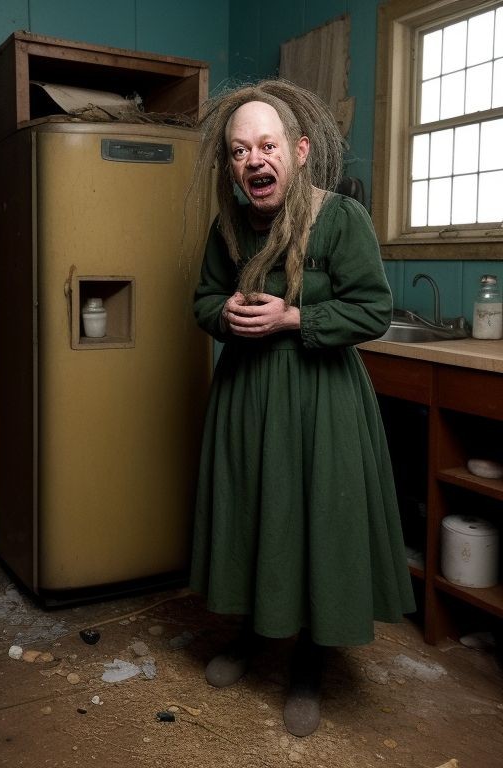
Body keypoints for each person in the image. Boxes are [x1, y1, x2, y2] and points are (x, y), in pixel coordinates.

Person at [189, 79, 415, 738]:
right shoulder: (228, 226)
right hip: (247, 398)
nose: (253, 160)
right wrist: (224, 314)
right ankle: (252, 635)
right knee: (252, 515)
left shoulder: (341, 219)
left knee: (318, 520)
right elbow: (203, 299)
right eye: (240, 151)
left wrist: (294, 317)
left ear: (300, 150)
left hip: (321, 401)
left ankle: (311, 662)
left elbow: (373, 309)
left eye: (267, 146)